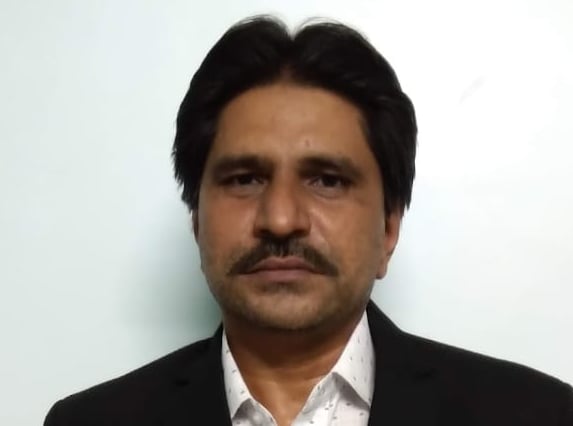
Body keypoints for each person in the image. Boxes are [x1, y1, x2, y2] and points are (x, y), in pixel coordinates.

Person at [44, 15, 572, 426]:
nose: (280, 219)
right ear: (196, 220)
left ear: (389, 227)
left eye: (327, 180)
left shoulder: (538, 415)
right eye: (244, 179)